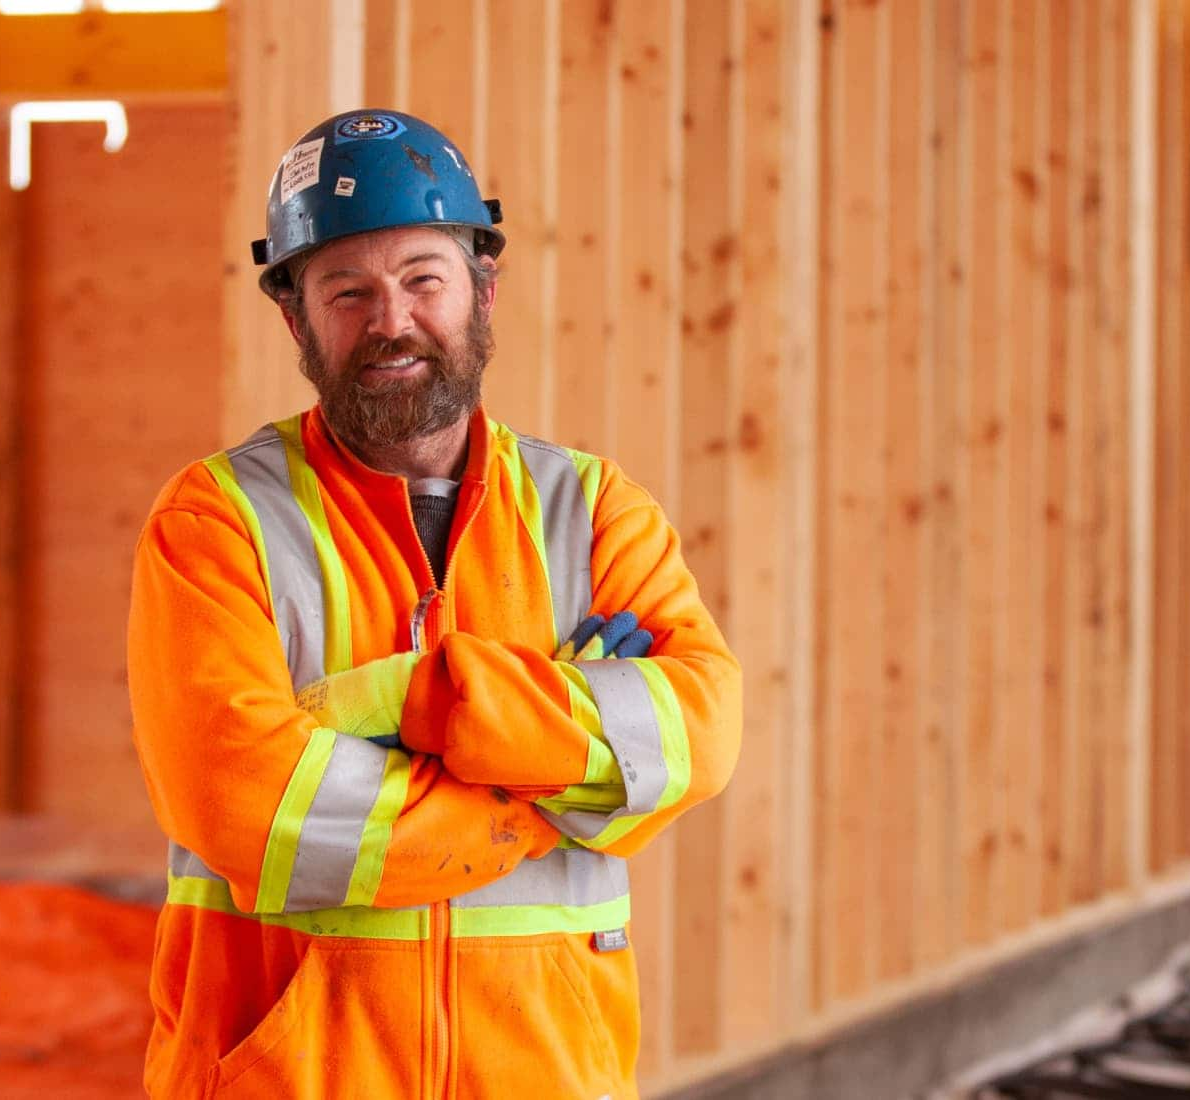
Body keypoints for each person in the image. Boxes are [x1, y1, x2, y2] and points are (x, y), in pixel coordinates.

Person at [127, 107, 742, 1100]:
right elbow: (249, 805)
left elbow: (695, 735)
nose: (390, 318)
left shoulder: (591, 509)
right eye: (346, 290)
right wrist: (545, 778)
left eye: (422, 278)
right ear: (295, 316)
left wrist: (419, 700)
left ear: (481, 289)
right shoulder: (217, 518)